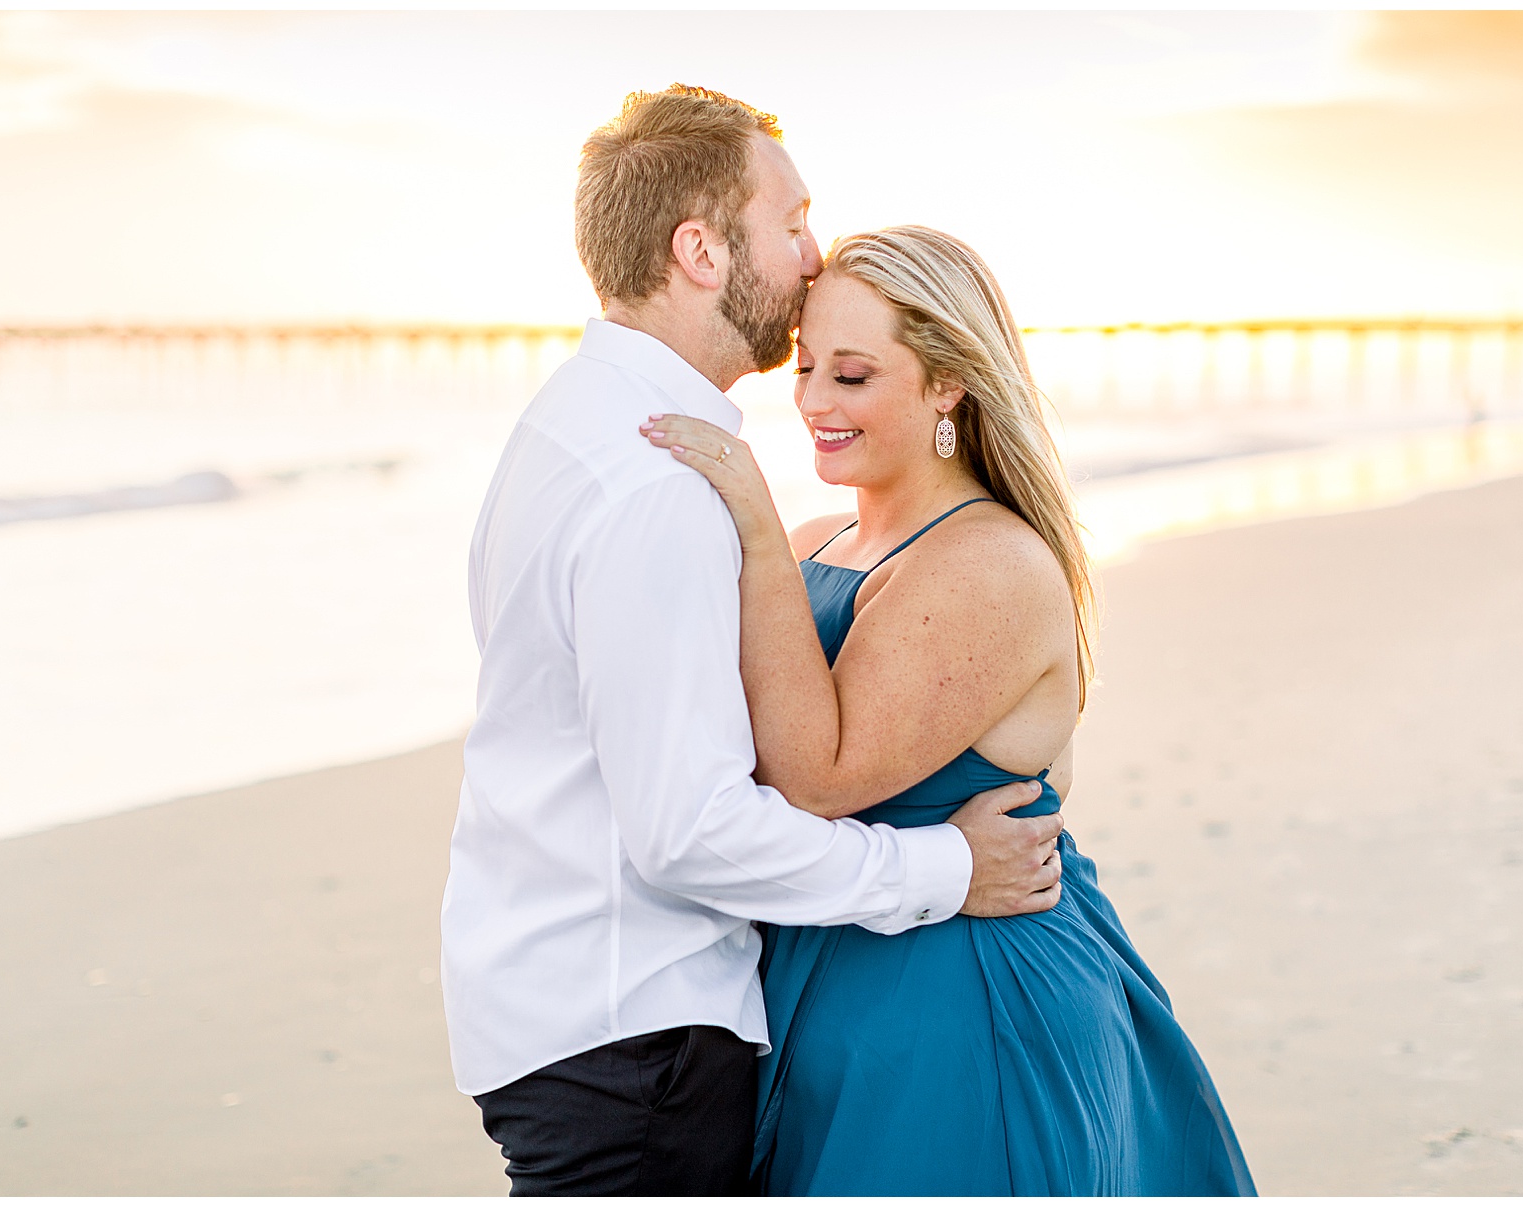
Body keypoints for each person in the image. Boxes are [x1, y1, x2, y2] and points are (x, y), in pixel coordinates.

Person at [440, 86, 1065, 1197]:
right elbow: (692, 830)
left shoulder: (569, 428)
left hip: (584, 1005)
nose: (811, 252)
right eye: (790, 221)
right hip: (636, 1025)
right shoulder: (662, 485)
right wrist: (945, 863)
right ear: (700, 250)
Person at [640, 226, 1257, 1195]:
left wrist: (754, 533)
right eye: (806, 368)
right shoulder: (822, 538)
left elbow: (817, 778)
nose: (811, 402)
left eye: (852, 375)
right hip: (836, 970)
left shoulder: (986, 564)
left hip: (967, 1005)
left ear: (947, 384)